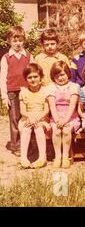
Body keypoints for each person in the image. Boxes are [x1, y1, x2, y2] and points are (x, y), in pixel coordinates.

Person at [0, 26, 34, 156]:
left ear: (24, 40)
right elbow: (3, 78)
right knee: (15, 119)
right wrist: (4, 96)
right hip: (12, 92)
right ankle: (16, 146)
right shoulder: (6, 58)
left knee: (27, 117)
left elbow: (34, 73)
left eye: (20, 40)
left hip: (27, 91)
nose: (18, 43)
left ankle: (30, 144)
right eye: (14, 41)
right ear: (9, 41)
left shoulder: (29, 56)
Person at [46, 61, 80, 168]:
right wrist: (57, 121)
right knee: (56, 130)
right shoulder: (51, 87)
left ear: (68, 74)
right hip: (56, 117)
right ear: (53, 77)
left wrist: (65, 120)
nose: (60, 78)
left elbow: (72, 105)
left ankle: (65, 157)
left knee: (66, 130)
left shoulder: (74, 86)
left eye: (62, 74)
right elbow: (52, 106)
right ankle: (58, 156)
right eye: (57, 76)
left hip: (71, 117)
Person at [18, 63, 50, 169]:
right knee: (26, 128)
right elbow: (22, 111)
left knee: (38, 128)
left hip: (42, 118)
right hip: (27, 117)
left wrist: (37, 118)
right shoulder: (23, 92)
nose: (33, 79)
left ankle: (42, 157)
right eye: (29, 77)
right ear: (26, 79)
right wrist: (30, 117)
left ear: (40, 77)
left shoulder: (45, 91)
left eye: (35, 76)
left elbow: (46, 109)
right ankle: (24, 158)